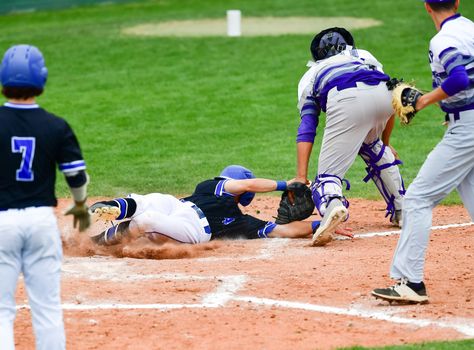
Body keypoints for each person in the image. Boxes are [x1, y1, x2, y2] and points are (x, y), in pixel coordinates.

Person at [372, 0, 473, 303]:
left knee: (417, 199)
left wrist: (424, 101)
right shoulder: (469, 27)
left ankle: (411, 283)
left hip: (466, 130)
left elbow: (458, 78)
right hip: (467, 122)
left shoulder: (443, 39)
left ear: (426, 7)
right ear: (457, 2)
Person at [0, 45, 90, 350]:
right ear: (42, 79)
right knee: (47, 308)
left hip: (1, 224)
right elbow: (76, 176)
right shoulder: (55, 126)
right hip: (41, 223)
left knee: (0, 310)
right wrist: (79, 205)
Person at [295, 27, 405, 246]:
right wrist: (385, 143)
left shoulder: (311, 75)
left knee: (326, 178)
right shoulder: (364, 56)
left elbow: (308, 126)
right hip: (386, 96)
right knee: (373, 147)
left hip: (346, 98)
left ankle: (333, 204)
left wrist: (301, 175)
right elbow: (392, 93)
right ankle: (403, 209)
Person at [89, 165, 351, 245]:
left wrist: (323, 223)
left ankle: (99, 242)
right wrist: (285, 184)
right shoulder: (211, 187)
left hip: (191, 228)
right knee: (154, 199)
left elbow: (283, 230)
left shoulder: (243, 223)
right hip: (178, 207)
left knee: (146, 220)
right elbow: (246, 186)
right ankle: (113, 206)